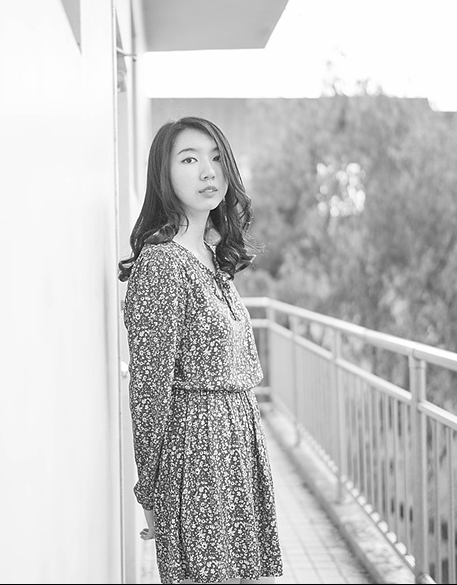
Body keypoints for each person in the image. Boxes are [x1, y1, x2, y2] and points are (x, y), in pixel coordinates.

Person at [118, 116, 283, 584]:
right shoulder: (162, 264)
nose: (209, 171)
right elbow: (149, 391)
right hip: (197, 456)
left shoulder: (211, 256)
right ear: (164, 175)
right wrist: (150, 492)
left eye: (215, 158)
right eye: (189, 160)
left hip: (236, 447)